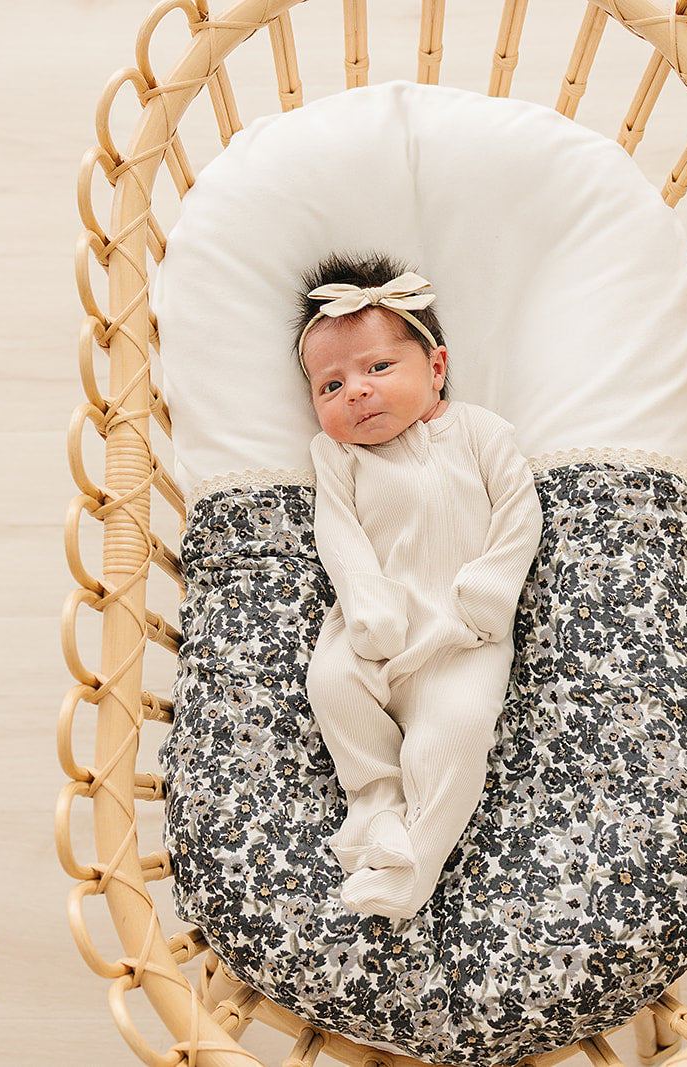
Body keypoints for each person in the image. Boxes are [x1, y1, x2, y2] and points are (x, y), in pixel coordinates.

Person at [298, 252, 543, 920]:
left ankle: (417, 862)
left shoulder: (478, 432)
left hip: (462, 637)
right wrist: (366, 605)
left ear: (436, 368)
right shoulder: (337, 455)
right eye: (330, 385)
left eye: (378, 368)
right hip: (372, 628)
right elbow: (338, 533)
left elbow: (519, 512)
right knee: (330, 683)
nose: (355, 391)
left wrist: (489, 592)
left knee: (457, 733)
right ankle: (376, 807)